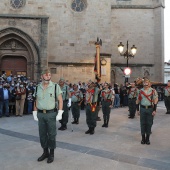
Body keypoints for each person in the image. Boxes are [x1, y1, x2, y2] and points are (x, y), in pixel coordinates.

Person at [33, 69, 63, 163]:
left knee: (51, 134)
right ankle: (45, 152)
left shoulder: (55, 86)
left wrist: (60, 112)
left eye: (49, 75)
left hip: (51, 114)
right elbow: (36, 100)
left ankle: (51, 153)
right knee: (42, 135)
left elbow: (60, 100)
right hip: (41, 114)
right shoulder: (37, 87)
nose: (48, 77)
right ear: (41, 76)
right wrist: (35, 112)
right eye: (46, 75)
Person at [136, 78, 158, 145]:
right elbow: (137, 101)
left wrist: (154, 110)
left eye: (147, 82)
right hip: (142, 108)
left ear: (149, 83)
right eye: (145, 82)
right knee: (142, 123)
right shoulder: (140, 91)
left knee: (149, 123)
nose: (146, 83)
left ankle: (147, 138)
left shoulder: (153, 91)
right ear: (143, 83)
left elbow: (155, 101)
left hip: (150, 109)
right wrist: (137, 110)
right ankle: (143, 138)